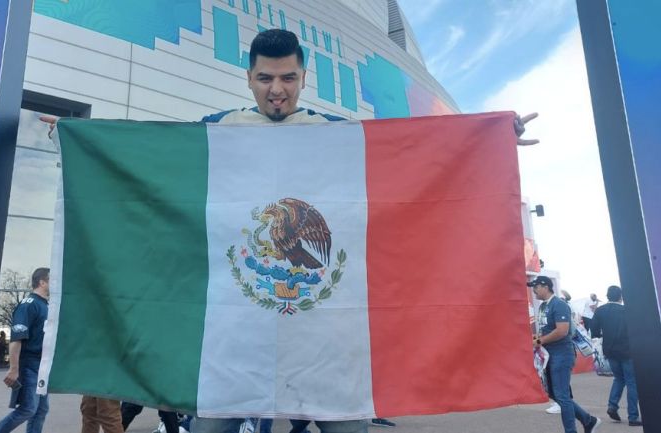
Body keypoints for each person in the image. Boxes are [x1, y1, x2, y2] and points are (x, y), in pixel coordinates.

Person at [41, 27, 537, 433]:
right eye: (264, 78)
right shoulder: (219, 129)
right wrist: (75, 137)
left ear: (303, 77)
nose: (276, 89)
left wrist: (495, 137)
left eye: (287, 78)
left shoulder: (335, 134)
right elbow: (151, 159)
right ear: (248, 78)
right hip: (234, 339)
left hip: (323, 340)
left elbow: (422, 154)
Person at [530, 276, 601, 433]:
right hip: (548, 355)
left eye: (535, 286)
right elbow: (544, 330)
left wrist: (539, 341)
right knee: (554, 394)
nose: (533, 290)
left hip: (562, 354)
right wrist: (536, 339)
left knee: (561, 395)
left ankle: (572, 430)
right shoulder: (543, 307)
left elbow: (562, 331)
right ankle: (588, 421)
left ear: (545, 287)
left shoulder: (559, 304)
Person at [0, 268, 51, 433]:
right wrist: (14, 368)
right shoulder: (29, 305)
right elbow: (16, 338)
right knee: (28, 408)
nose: (55, 284)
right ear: (42, 282)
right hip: (29, 363)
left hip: (42, 366)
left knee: (41, 410)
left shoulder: (46, 305)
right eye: (52, 280)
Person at [590, 286, 642, 426]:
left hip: (610, 351)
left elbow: (594, 331)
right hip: (627, 350)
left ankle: (612, 405)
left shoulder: (600, 311)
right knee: (632, 382)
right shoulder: (626, 310)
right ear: (621, 296)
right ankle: (633, 417)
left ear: (607, 296)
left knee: (618, 379)